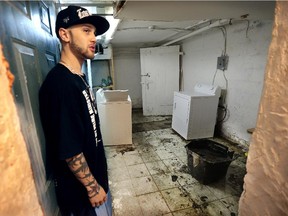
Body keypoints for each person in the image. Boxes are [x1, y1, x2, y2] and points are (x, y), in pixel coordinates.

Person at [39, 5, 111, 216]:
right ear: (64, 34)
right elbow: (69, 149)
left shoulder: (77, 77)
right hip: (80, 197)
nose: (93, 38)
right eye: (86, 30)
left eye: (94, 33)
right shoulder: (60, 85)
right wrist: (92, 188)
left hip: (92, 187)